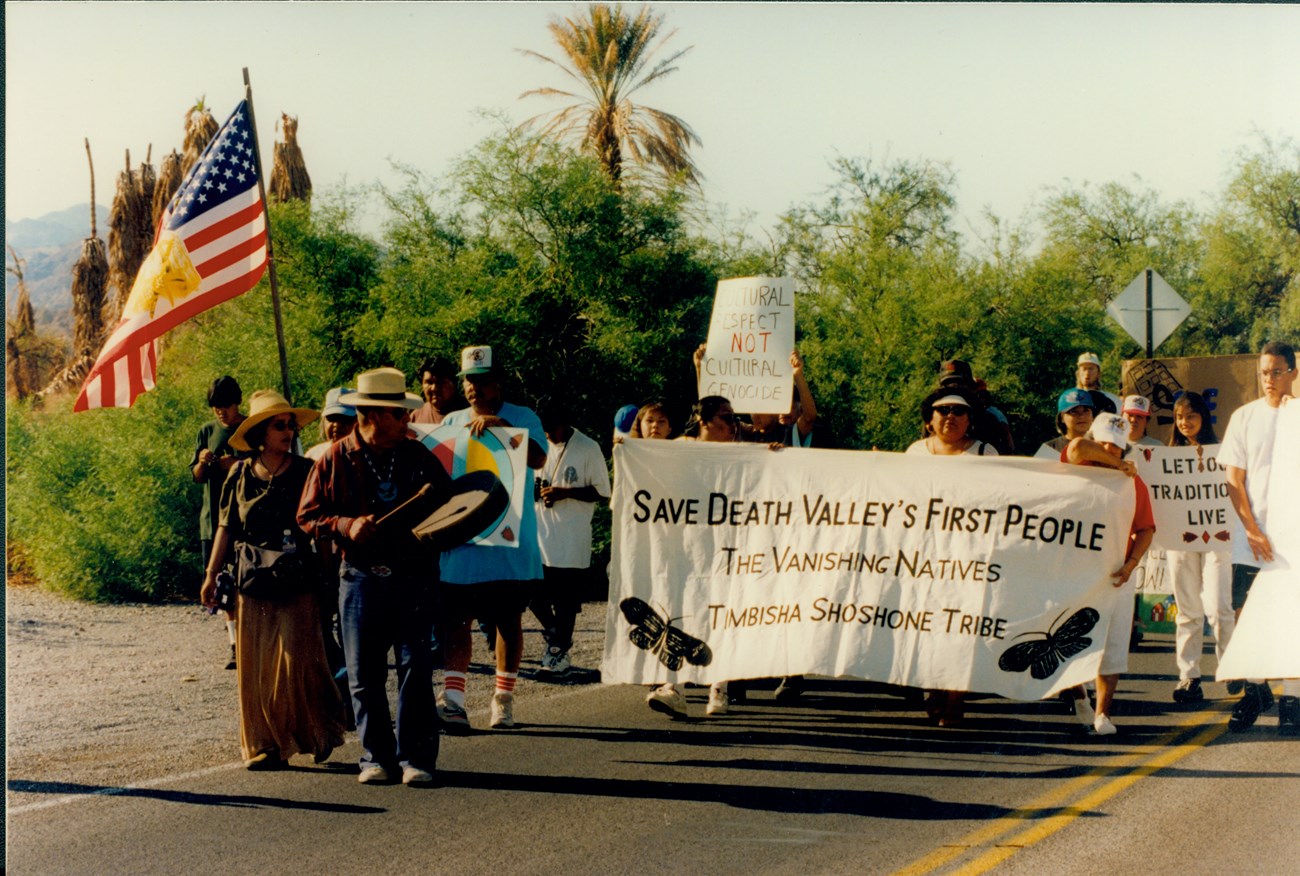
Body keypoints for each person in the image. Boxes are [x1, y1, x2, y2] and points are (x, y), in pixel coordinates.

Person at [297, 367, 452, 785]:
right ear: (373, 415)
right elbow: (308, 516)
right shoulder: (332, 459)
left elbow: (452, 505)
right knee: (364, 675)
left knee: (415, 668)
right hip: (360, 577)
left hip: (413, 578)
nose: (407, 421)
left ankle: (416, 758)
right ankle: (375, 757)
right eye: (399, 414)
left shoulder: (419, 456)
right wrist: (346, 526)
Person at [200, 390, 345, 770]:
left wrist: (329, 579)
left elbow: (322, 529)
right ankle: (266, 746)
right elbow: (226, 526)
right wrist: (211, 574)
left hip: (299, 577)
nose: (288, 431)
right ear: (260, 434)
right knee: (257, 667)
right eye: (280, 426)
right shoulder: (239, 474)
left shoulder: (305, 471)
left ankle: (317, 732)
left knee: (300, 662)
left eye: (290, 425)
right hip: (253, 580)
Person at [437, 346, 548, 732]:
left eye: (482, 381)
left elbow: (538, 459)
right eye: (469, 381)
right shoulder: (450, 421)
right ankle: (453, 700)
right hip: (463, 539)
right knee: (455, 619)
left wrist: (505, 429)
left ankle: (503, 700)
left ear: (498, 382)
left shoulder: (524, 416)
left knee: (507, 620)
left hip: (509, 541)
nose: (474, 389)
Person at [905, 386, 998, 726]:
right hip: (925, 557)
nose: (951, 418)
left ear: (970, 420)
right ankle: (933, 687)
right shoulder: (915, 452)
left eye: (959, 412)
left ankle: (956, 696)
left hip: (969, 558)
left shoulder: (986, 454)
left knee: (963, 627)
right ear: (929, 420)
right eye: (943, 411)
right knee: (927, 626)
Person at [1218, 341, 1297, 734]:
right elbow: (1234, 479)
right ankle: (1255, 691)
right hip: (1250, 539)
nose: (1270, 379)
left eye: (1278, 372)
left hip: (1293, 543)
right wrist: (1251, 528)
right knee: (1245, 616)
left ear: (1294, 374)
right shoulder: (1244, 417)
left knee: (1293, 620)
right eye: (1264, 372)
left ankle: (1292, 700)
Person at [1061, 412, 1156, 735]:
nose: (1108, 448)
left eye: (1115, 445)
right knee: (1067, 641)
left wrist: (1131, 565)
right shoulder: (1076, 466)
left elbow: (1146, 528)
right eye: (1102, 441)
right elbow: (1076, 448)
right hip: (1073, 572)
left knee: (1112, 648)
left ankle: (1103, 713)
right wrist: (1117, 465)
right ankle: (1079, 697)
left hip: (1115, 574)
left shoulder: (1133, 483)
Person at [532, 400, 612, 676]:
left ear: (564, 425)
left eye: (551, 431)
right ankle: (558, 635)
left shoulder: (588, 448)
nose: (547, 436)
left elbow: (603, 492)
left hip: (571, 539)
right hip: (538, 535)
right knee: (530, 590)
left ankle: (558, 655)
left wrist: (565, 492)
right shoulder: (538, 444)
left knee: (565, 601)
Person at [1165, 391, 1235, 704]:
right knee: (1188, 610)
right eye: (1180, 417)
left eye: (1191, 416)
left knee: (1219, 606)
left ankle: (1232, 666)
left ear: (1203, 418)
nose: (1185, 423)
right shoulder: (1166, 459)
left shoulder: (1221, 453)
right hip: (1180, 538)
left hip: (1217, 537)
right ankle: (1189, 676)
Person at [191, 375, 250, 670]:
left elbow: (266, 464)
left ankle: (249, 641)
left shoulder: (251, 427)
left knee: (246, 580)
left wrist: (238, 464)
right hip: (212, 520)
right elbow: (197, 476)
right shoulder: (206, 431)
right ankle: (235, 646)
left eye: (225, 405)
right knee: (223, 585)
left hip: (243, 521)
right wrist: (204, 461)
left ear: (237, 402)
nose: (220, 411)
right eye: (215, 406)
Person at [305, 387, 356, 462]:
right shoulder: (313, 456)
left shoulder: (370, 456)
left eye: (345, 418)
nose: (337, 425)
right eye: (332, 418)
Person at [411, 356, 465, 425]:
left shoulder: (472, 413)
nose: (434, 388)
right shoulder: (416, 416)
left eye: (440, 382)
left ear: (453, 385)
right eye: (429, 382)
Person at [1040, 388, 1096, 456]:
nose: (1081, 416)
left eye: (1086, 410)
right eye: (1074, 411)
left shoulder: (1104, 446)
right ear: (1061, 418)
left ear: (1092, 415)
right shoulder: (1049, 450)